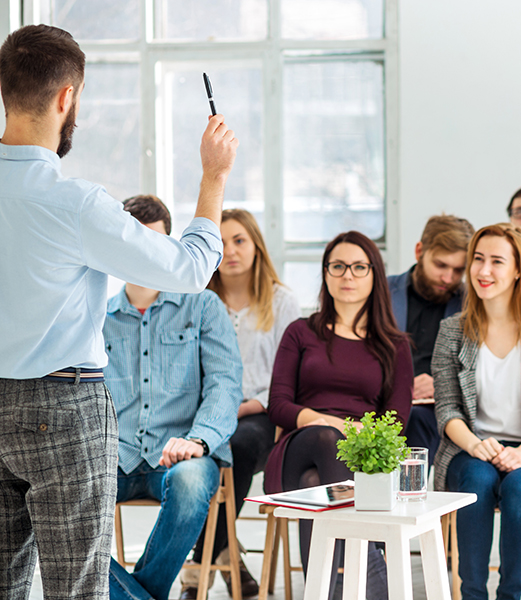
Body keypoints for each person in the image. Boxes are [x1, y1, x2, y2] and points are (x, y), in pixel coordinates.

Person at [0, 24, 237, 599]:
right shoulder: (74, 203)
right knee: (76, 588)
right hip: (63, 407)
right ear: (67, 98)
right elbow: (188, 269)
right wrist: (213, 177)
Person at [104, 195, 242, 600]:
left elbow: (225, 384)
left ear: (170, 247)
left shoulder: (202, 306)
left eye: (156, 244)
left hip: (183, 456)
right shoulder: (97, 314)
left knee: (188, 483)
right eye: (134, 243)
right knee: (52, 504)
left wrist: (198, 440)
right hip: (115, 456)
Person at [264, 231, 413, 600]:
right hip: (298, 449)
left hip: (360, 464)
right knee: (325, 439)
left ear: (375, 275)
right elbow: (278, 405)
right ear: (326, 274)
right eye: (338, 266)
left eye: (359, 267)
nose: (348, 275)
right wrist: (338, 424)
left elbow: (397, 422)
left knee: (318, 481)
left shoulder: (395, 346)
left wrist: (354, 436)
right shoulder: (301, 332)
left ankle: (324, 593)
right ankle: (373, 569)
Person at [432, 223, 521, 600]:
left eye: (497, 261)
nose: (484, 271)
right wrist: (475, 445)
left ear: (518, 270)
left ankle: (511, 595)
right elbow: (446, 407)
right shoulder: (452, 330)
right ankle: (473, 595)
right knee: (477, 484)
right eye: (478, 259)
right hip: (471, 448)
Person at [179, 209, 302, 599]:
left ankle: (197, 568)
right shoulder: (197, 302)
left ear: (256, 246)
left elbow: (290, 377)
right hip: (205, 414)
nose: (231, 251)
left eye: (240, 240)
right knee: (203, 457)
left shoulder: (282, 302)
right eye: (223, 242)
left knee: (239, 446)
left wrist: (243, 407)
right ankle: (230, 558)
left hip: (263, 415)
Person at [388, 214, 474, 465]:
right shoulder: (381, 292)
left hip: (439, 412)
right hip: (384, 402)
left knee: (416, 420)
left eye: (459, 270)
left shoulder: (472, 303)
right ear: (419, 251)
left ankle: (410, 499)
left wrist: (444, 385)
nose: (448, 278)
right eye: (441, 265)